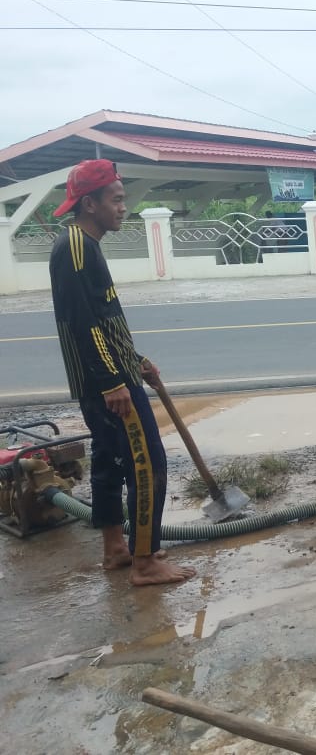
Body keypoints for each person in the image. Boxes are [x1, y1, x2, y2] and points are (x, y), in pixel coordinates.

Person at [49, 159, 196, 586]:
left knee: (110, 462)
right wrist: (114, 380)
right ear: (89, 203)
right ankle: (145, 563)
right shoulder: (76, 245)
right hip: (107, 384)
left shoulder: (85, 245)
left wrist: (137, 361)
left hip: (112, 374)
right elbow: (83, 324)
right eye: (116, 200)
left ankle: (116, 548)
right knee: (148, 461)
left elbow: (104, 319)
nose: (123, 207)